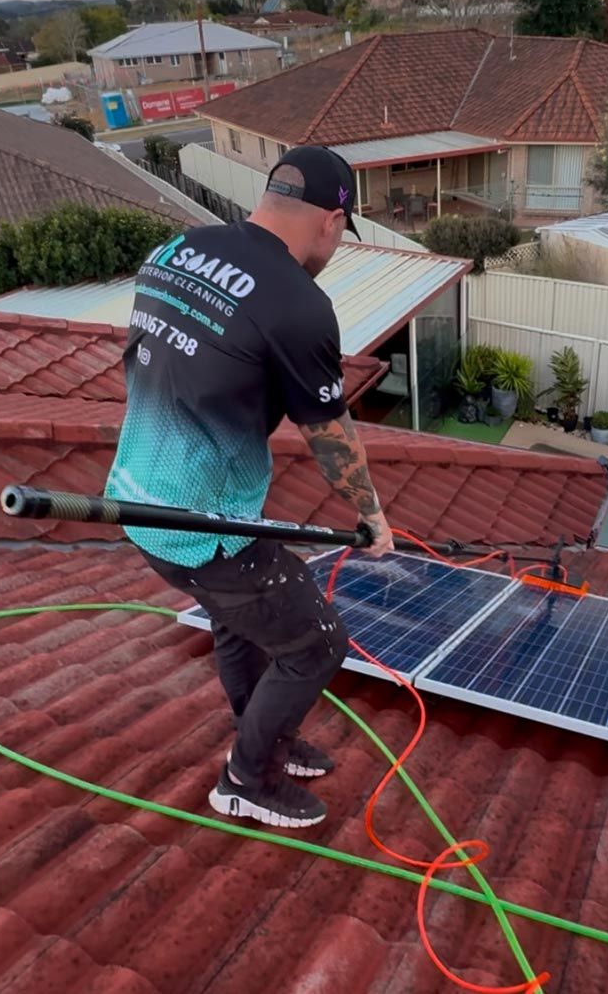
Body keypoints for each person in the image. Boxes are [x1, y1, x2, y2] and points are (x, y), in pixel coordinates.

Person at [105, 146, 394, 829]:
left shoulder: (174, 249)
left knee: (242, 623)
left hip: (136, 495)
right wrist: (372, 515)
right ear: (332, 220)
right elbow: (329, 436)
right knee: (318, 641)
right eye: (339, 235)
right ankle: (246, 777)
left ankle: (262, 732)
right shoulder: (299, 302)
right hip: (205, 531)